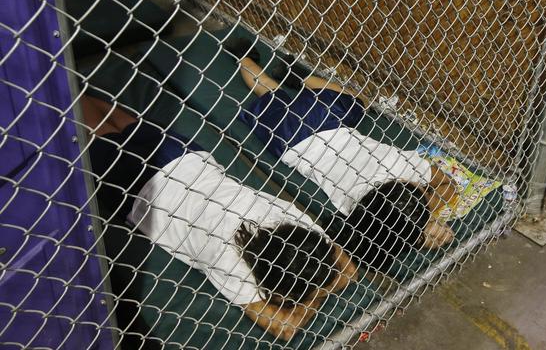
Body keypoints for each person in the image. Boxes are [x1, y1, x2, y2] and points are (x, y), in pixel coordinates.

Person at [80, 94, 357, 341]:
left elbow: (345, 269)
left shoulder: (293, 222)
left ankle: (73, 88)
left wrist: (320, 286)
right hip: (142, 190)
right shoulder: (234, 265)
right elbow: (285, 327)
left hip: (186, 158)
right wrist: (317, 295)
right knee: (92, 126)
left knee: (112, 119)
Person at [226, 39, 459, 273]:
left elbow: (444, 186)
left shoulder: (400, 165)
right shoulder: (355, 209)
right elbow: (446, 187)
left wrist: (421, 220)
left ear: (402, 182)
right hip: (293, 144)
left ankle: (286, 73)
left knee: (358, 99)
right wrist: (418, 230)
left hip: (326, 121)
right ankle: (244, 58)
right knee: (267, 88)